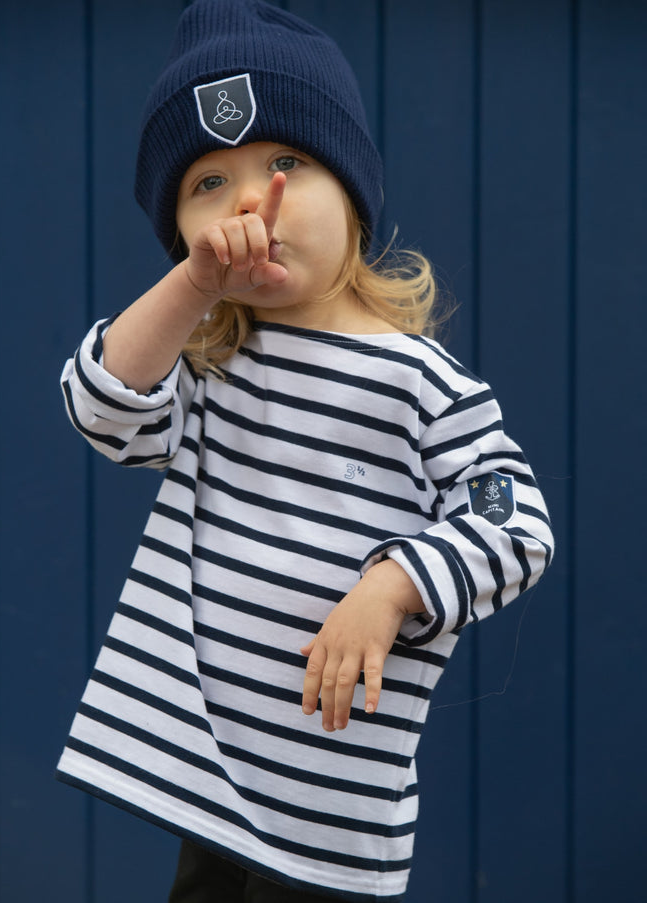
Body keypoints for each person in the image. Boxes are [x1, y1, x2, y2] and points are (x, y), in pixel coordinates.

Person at [55, 1, 554, 900]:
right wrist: (193, 284)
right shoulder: (208, 366)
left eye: (286, 163)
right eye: (207, 183)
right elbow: (102, 407)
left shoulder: (418, 381)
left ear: (353, 192)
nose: (251, 199)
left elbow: (515, 522)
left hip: (329, 801)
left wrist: (389, 584)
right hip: (203, 776)